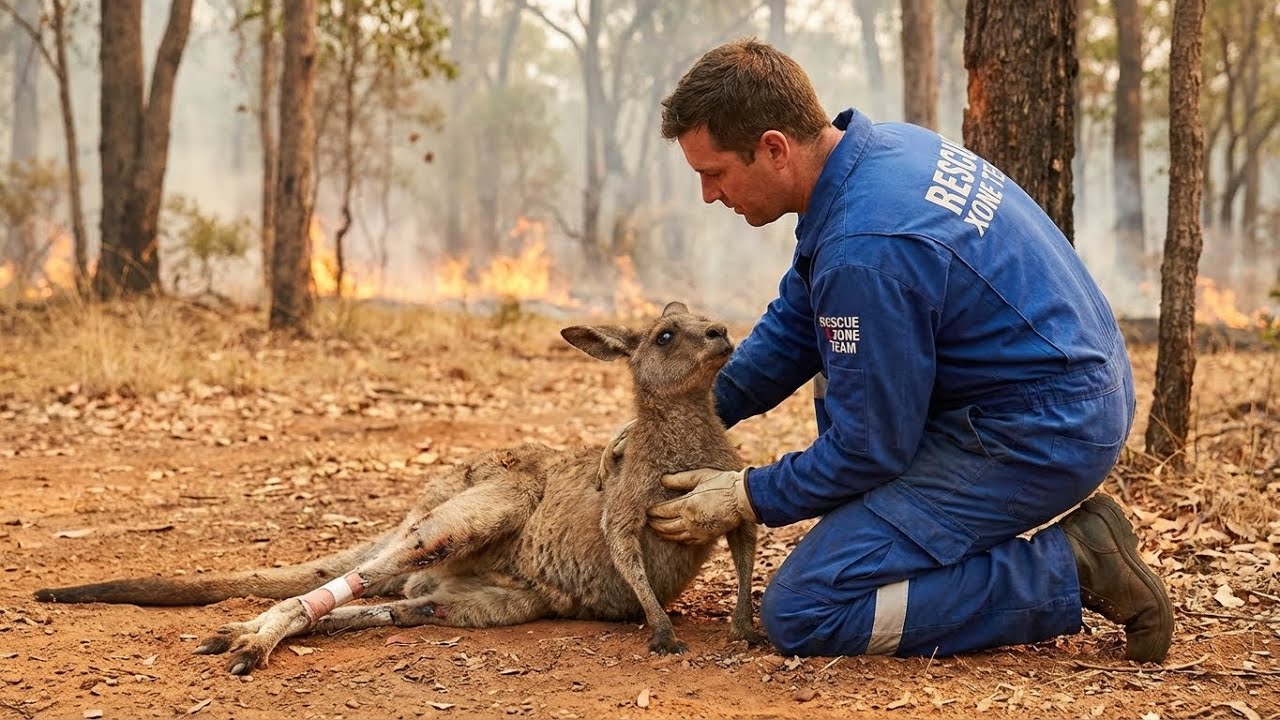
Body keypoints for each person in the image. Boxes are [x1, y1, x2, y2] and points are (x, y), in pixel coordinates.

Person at [639, 38, 1174, 663]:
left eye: (714, 173)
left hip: (1041, 430)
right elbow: (796, 322)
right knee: (846, 372)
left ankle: (1076, 566)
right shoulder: (876, 156)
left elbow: (869, 447)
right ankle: (910, 533)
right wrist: (679, 419)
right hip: (1059, 387)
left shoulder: (866, 246)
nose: (709, 194)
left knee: (805, 609)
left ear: (774, 149)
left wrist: (745, 496)